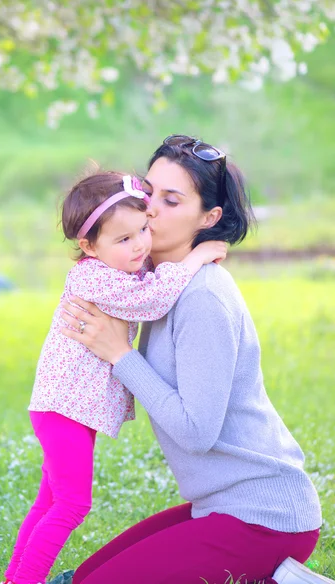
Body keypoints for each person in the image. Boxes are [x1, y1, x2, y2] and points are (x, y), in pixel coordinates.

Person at [60, 136, 329, 584]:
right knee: (81, 577)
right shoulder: (152, 288)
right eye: (147, 192)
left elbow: (196, 432)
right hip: (219, 506)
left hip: (265, 519)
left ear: (209, 219)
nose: (149, 210)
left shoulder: (204, 297)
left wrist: (119, 354)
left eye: (171, 200)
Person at [2, 169, 227, 584]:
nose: (141, 243)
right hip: (64, 408)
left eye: (143, 228)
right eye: (124, 239)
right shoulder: (93, 275)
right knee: (71, 504)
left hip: (65, 406)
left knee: (50, 500)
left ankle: (15, 579)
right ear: (88, 246)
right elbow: (154, 298)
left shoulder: (117, 268)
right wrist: (195, 256)